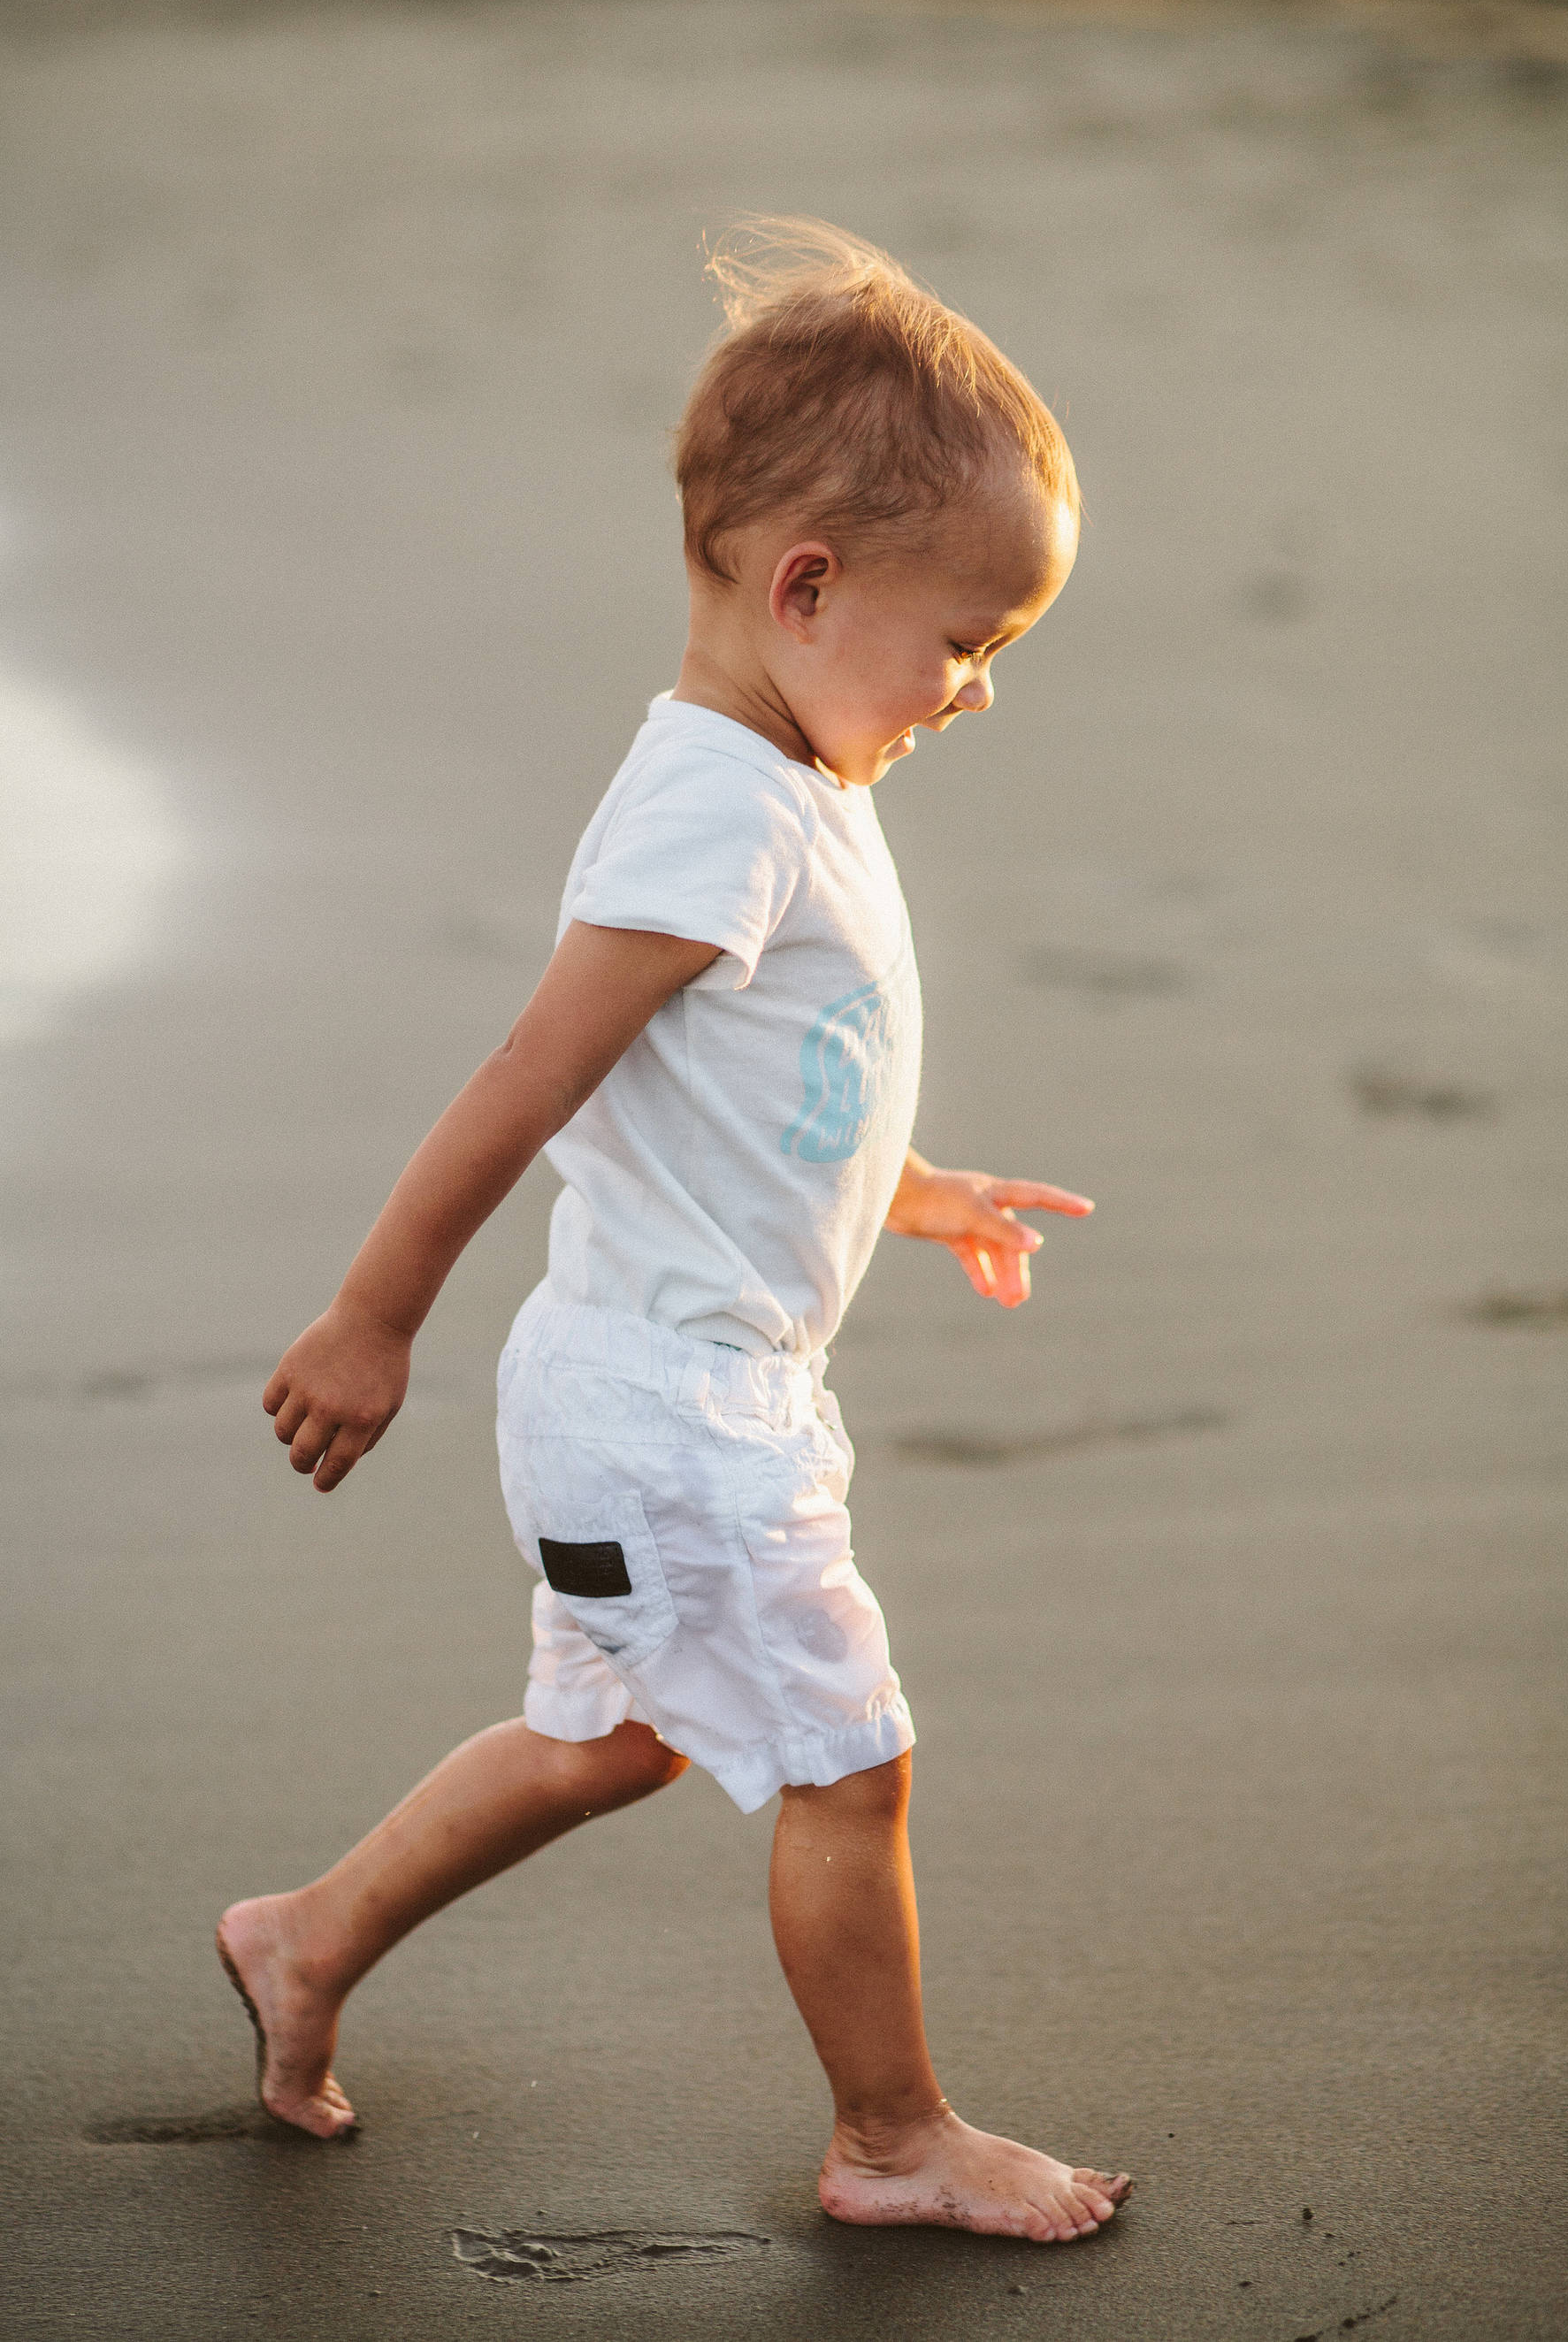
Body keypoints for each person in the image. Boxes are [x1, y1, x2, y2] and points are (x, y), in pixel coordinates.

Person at [218, 219, 1131, 2246]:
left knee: (608, 1738)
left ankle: (307, 1937)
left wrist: (910, 1190)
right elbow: (531, 1079)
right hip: (674, 1410)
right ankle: (892, 2137)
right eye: (968, 637)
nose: (976, 691)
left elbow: (747, 1107)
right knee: (852, 1760)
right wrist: (374, 1318)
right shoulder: (713, 810)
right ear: (806, 588)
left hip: (669, 1391)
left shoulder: (795, 772)